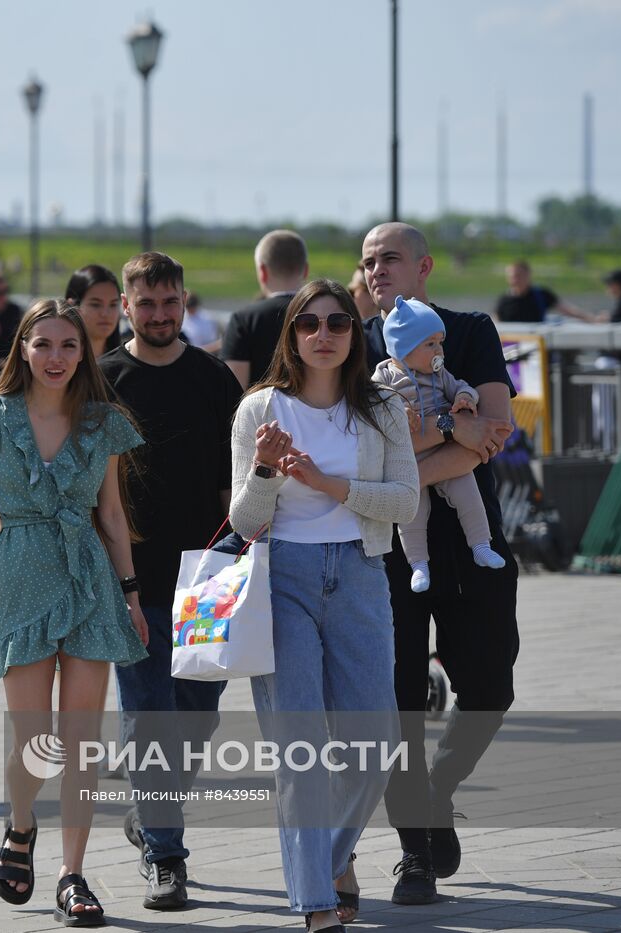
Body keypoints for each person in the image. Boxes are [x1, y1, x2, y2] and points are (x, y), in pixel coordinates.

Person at [0, 299, 149, 926]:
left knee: (81, 742)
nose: (56, 357)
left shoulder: (103, 422)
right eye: (44, 345)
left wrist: (132, 596)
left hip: (88, 576)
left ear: (84, 352)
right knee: (35, 739)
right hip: (20, 572)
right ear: (23, 351)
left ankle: (73, 874)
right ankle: (21, 824)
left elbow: (111, 515)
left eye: (68, 345)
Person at [228, 278, 418, 931]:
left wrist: (325, 481)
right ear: (292, 333)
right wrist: (267, 474)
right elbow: (243, 516)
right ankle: (316, 903)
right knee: (300, 748)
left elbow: (404, 503)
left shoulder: (383, 407)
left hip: (361, 573)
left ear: (352, 332)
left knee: (375, 744)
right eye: (309, 322)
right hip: (282, 577)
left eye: (338, 321)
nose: (325, 333)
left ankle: (328, 858)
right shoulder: (260, 410)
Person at [360, 222, 518, 906]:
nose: (375, 271)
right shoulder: (353, 340)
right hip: (389, 546)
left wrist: (426, 452)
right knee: (397, 701)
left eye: (388, 258)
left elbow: (494, 434)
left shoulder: (470, 329)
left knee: (489, 687)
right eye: (366, 262)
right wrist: (455, 429)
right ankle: (414, 851)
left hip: (472, 537)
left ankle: (438, 789)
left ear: (422, 266)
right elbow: (368, 455)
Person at [98, 252, 242, 911]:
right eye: (145, 303)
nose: (158, 314)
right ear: (125, 306)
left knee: (198, 714)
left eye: (169, 301)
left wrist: (241, 560)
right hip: (133, 580)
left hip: (210, 577)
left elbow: (230, 483)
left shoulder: (214, 378)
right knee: (148, 712)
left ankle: (152, 809)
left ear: (184, 302)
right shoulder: (102, 381)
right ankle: (166, 858)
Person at [372, 297, 507, 592]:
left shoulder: (439, 375)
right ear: (404, 348)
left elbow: (462, 386)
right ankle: (418, 564)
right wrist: (395, 409)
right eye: (430, 344)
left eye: (440, 343)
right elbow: (372, 404)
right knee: (412, 512)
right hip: (410, 460)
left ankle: (481, 544)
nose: (439, 351)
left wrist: (466, 399)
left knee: (468, 493)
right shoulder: (383, 376)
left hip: (445, 454)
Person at [221, 229, 310, 389]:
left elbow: (233, 389)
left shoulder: (244, 320)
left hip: (260, 413)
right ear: (305, 270)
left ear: (262, 271)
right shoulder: (329, 317)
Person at [494, 260, 599, 323]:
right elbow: (496, 320)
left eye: (518, 276)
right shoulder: (503, 300)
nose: (515, 280)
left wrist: (592, 319)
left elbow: (567, 310)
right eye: (511, 277)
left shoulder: (540, 294)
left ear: (528, 275)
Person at [64, 264, 124, 360]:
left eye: (113, 305)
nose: (105, 314)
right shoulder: (60, 364)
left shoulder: (126, 365)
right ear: (72, 306)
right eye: (95, 304)